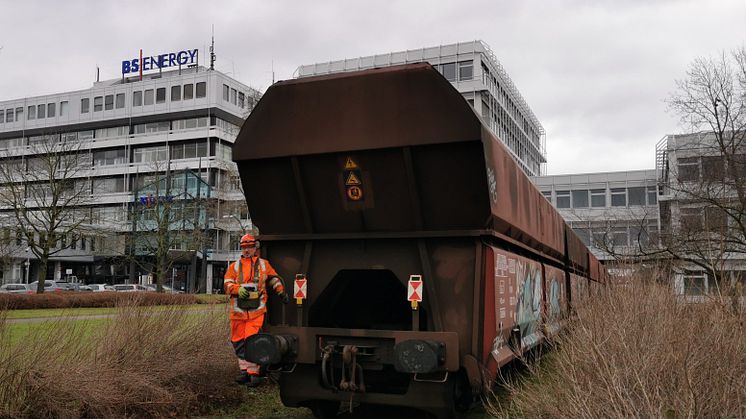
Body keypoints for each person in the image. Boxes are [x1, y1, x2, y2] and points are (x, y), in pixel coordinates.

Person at [224, 233, 289, 386]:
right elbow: (227, 284)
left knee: (252, 341)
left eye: (249, 247)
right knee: (238, 342)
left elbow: (274, 279)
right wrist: (237, 289)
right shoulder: (234, 267)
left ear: (255, 248)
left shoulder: (264, 265)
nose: (247, 250)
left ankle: (254, 374)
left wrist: (280, 291)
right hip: (237, 313)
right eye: (244, 247)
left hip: (256, 312)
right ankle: (245, 372)